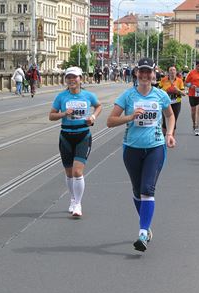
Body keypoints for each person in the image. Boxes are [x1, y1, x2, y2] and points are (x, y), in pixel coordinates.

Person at [107, 57, 176, 252]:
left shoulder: (160, 95)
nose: (145, 75)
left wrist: (169, 133)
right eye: (142, 71)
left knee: (147, 189)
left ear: (154, 74)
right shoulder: (128, 96)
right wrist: (130, 117)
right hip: (131, 149)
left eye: (149, 72)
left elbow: (170, 115)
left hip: (155, 147)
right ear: (136, 73)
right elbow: (110, 121)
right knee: (137, 191)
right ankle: (146, 223)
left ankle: (143, 233)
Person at [49, 66, 102, 217]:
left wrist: (93, 117)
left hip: (82, 136)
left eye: (75, 77)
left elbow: (98, 106)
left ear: (81, 79)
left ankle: (78, 203)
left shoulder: (88, 95)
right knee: (68, 173)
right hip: (66, 137)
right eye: (69, 77)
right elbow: (51, 116)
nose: (72, 80)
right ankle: (72, 198)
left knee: (77, 171)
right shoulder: (61, 97)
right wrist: (64, 113)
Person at [159, 66, 186, 136]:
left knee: (174, 120)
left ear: (176, 72)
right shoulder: (163, 80)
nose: (172, 71)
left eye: (174, 70)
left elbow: (184, 94)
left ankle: (171, 137)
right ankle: (163, 139)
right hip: (165, 103)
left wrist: (178, 90)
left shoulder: (180, 80)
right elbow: (158, 91)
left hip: (176, 103)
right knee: (165, 121)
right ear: (168, 72)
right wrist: (164, 91)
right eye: (170, 70)